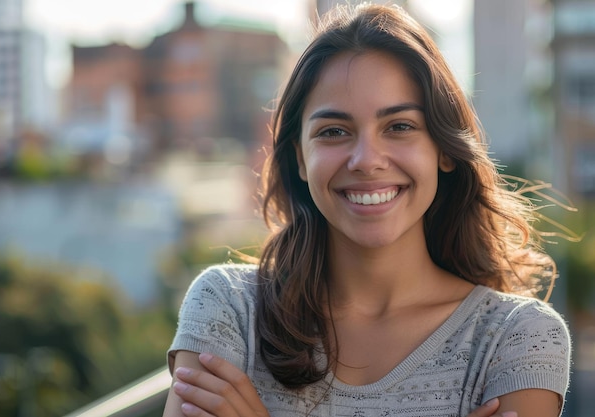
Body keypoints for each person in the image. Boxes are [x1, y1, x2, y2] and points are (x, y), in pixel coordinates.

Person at [162, 3, 571, 417]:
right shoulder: (228, 306)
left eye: (399, 126)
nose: (366, 160)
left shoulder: (517, 338)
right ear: (300, 159)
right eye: (334, 131)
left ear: (443, 150)